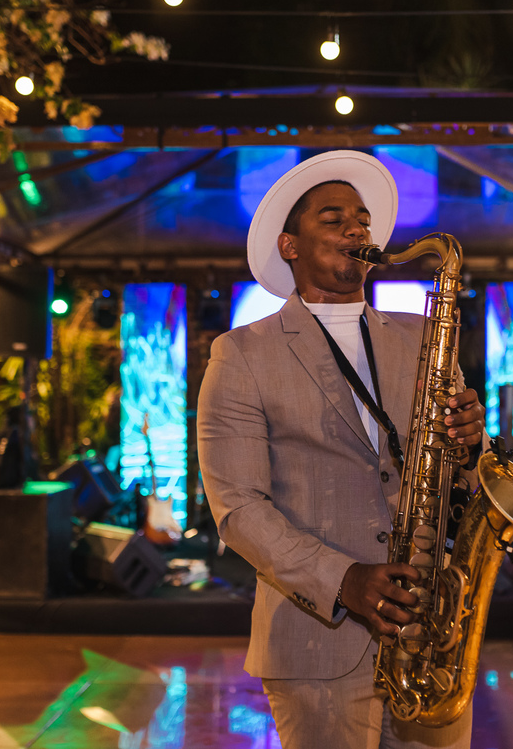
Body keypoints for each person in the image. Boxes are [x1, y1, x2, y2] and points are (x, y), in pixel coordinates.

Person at [198, 151, 487, 749]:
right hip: (314, 644)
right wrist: (344, 580)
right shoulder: (242, 353)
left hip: (431, 633)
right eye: (333, 219)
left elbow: (459, 481)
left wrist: (470, 443)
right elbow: (238, 508)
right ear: (290, 245)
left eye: (361, 218)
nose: (357, 229)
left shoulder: (422, 338)